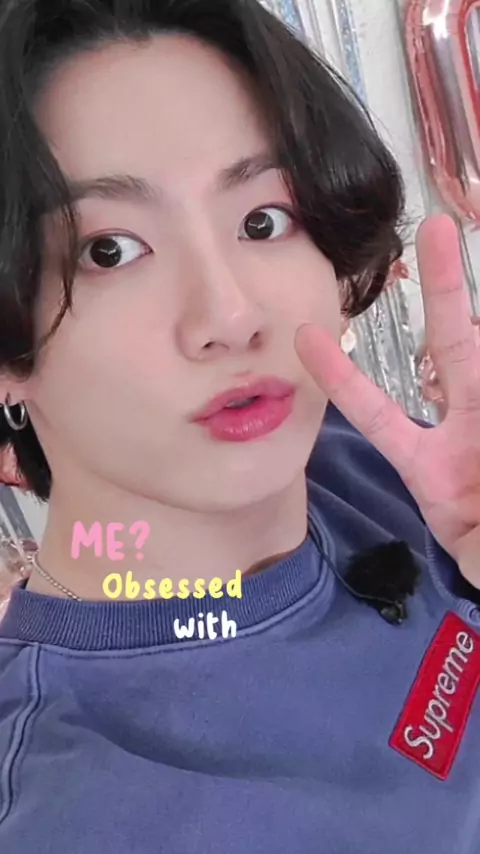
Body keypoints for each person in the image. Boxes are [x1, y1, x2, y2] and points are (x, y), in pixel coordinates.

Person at [0, 0, 478, 851]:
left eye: (263, 220)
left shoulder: (372, 465)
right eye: (110, 250)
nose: (230, 315)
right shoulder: (83, 808)